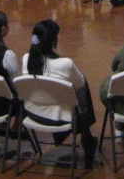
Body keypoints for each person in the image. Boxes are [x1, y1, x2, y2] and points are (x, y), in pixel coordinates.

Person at [22, 20, 98, 169]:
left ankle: (84, 136)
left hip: (32, 114)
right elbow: (80, 84)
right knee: (82, 86)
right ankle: (86, 136)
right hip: (59, 119)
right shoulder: (65, 64)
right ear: (53, 41)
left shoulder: (26, 60)